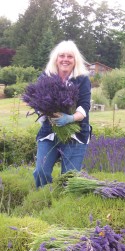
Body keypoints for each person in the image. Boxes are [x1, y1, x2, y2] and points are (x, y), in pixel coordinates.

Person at [33, 40, 92, 188]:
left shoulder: (82, 79)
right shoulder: (45, 77)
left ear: (75, 60)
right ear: (56, 58)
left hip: (75, 134)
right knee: (41, 171)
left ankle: (63, 205)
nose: (65, 59)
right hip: (49, 132)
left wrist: (70, 118)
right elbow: (37, 102)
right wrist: (46, 110)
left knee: (69, 179)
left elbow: (84, 107)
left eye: (70, 56)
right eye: (62, 56)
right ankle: (45, 198)